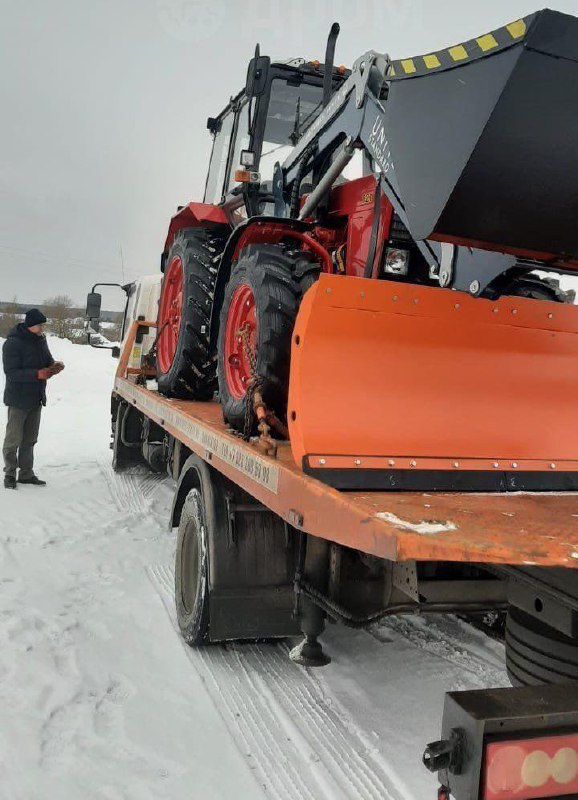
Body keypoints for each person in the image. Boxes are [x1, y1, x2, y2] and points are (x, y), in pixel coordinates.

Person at [2, 309, 64, 489]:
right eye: (40, 325)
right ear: (30, 325)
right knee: (13, 440)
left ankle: (26, 474)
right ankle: (10, 474)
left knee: (29, 440)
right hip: (18, 399)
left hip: (36, 398)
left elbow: (47, 363)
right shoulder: (12, 343)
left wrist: (53, 368)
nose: (43, 328)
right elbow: (11, 373)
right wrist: (37, 374)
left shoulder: (40, 340)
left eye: (43, 324)